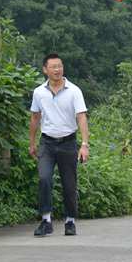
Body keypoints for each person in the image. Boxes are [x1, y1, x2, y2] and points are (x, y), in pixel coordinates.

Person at [30, 53, 90, 237]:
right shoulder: (39, 92)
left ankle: (70, 221)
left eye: (60, 66)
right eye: (53, 67)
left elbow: (81, 116)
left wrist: (84, 144)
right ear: (45, 70)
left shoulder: (74, 90)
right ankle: (46, 220)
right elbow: (35, 117)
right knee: (44, 179)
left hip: (68, 143)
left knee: (69, 184)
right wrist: (32, 143)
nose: (57, 70)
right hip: (47, 143)